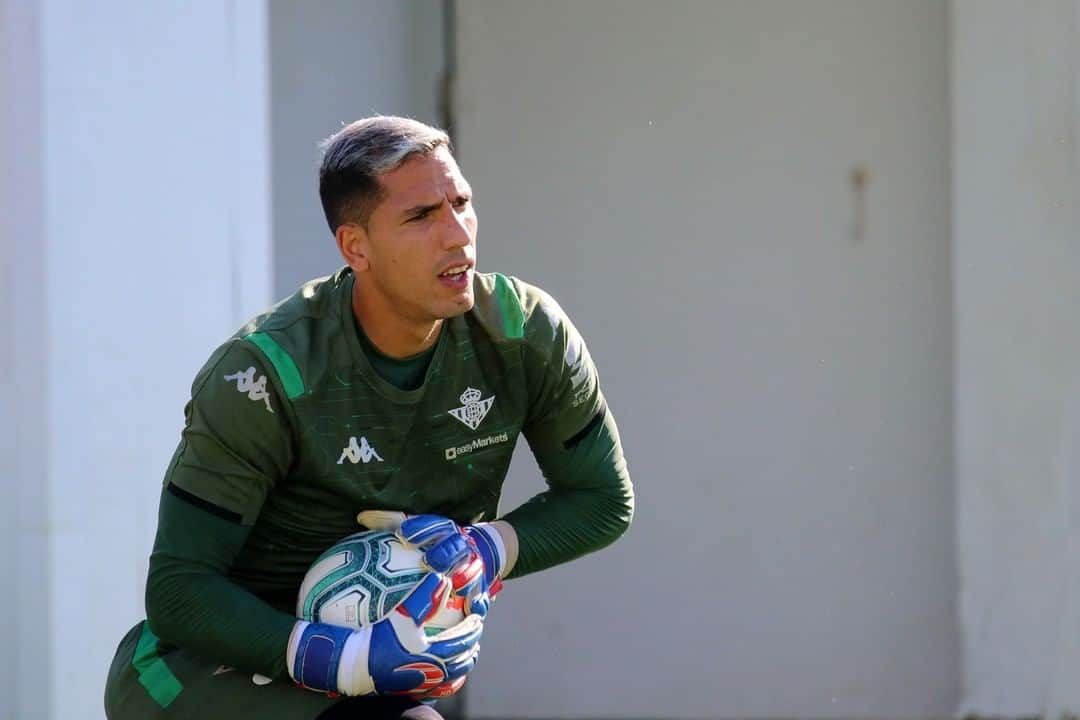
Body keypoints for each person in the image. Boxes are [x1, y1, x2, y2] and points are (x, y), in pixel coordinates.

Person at [103, 115, 635, 719]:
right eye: (421, 216)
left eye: (461, 203)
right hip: (200, 673)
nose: (457, 233)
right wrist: (346, 660)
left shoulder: (521, 333)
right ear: (356, 247)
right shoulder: (265, 374)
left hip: (370, 682)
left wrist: (488, 547)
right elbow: (179, 592)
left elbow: (601, 499)